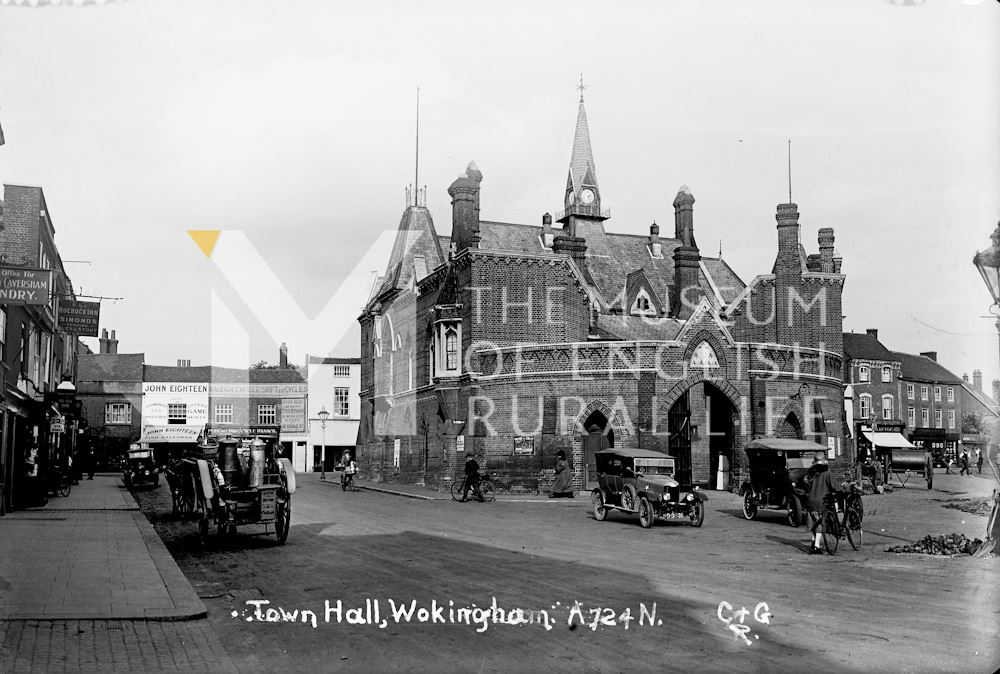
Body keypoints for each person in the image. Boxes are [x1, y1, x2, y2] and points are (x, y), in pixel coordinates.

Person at [805, 452, 836, 554]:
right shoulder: (827, 473)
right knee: (820, 523)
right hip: (821, 501)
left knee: (813, 522)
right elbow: (832, 486)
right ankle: (816, 546)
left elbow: (805, 484)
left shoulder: (810, 473)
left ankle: (813, 542)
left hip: (810, 500)